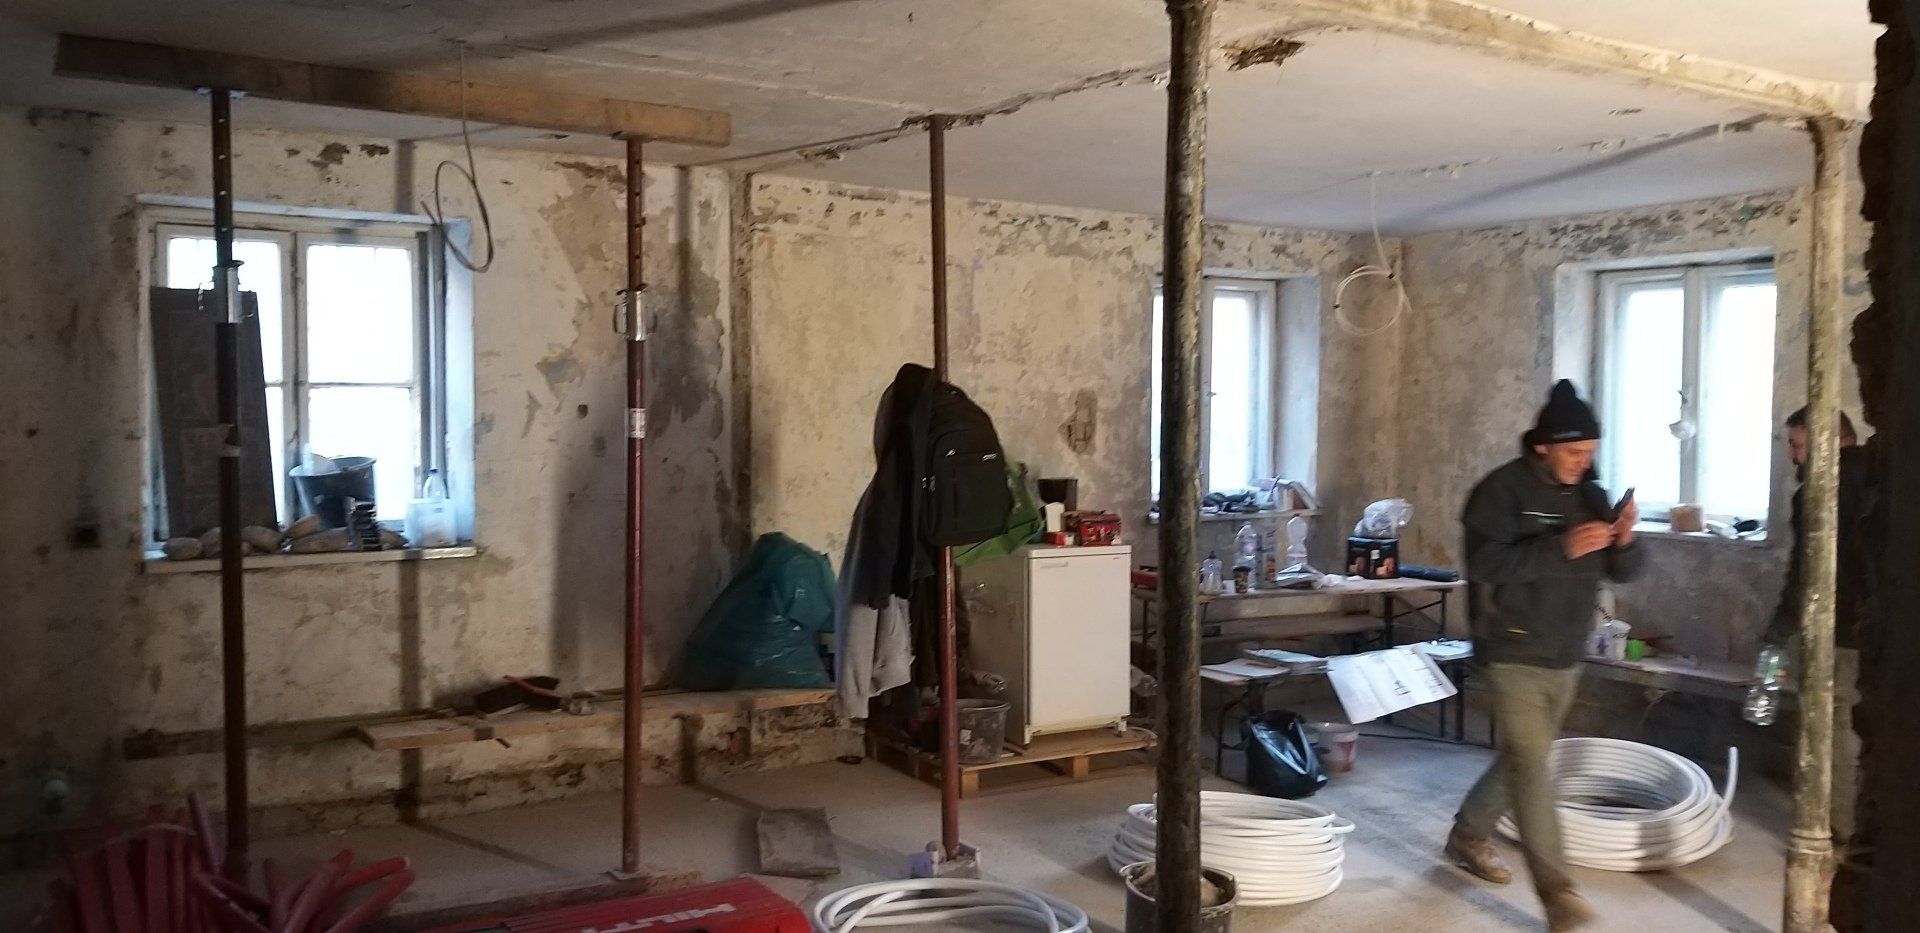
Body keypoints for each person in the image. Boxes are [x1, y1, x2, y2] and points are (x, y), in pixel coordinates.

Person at [1444, 380, 1643, 932]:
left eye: (1590, 452)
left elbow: (1624, 571)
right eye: (1574, 452)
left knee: (1522, 758)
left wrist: (1626, 540)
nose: (1584, 462)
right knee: (1533, 765)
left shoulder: (1591, 495)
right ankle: (1559, 896)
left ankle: (1467, 834)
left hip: (1565, 650)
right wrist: (1560, 547)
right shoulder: (1498, 493)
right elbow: (1486, 565)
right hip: (1512, 648)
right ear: (1543, 446)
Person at [1767, 406, 1877, 879]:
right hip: (1880, 631)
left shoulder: (1820, 490)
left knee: (1831, 729)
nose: (1793, 457)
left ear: (1829, 441)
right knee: (1865, 728)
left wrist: (1777, 633)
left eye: (1797, 446)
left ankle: (1840, 834)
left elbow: (1805, 575)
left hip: (1840, 630)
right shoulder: (1883, 475)